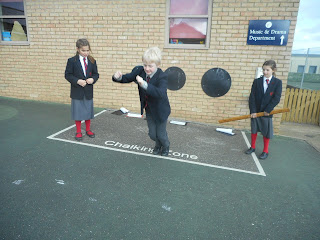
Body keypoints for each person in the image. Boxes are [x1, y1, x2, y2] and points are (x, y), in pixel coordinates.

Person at [112, 47, 171, 156]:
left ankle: (166, 146)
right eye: (145, 65)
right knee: (153, 134)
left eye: (150, 66)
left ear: (157, 65)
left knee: (161, 134)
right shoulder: (140, 71)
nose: (147, 68)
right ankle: (158, 145)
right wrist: (118, 77)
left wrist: (144, 84)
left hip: (161, 110)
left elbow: (160, 93)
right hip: (149, 109)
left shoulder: (162, 76)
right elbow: (127, 78)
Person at [245, 60, 282, 159]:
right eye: (263, 70)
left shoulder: (277, 83)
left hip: (267, 112)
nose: (265, 72)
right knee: (254, 129)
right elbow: (252, 97)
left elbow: (276, 98)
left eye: (267, 70)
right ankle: (252, 147)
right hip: (256, 111)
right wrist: (253, 111)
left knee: (266, 132)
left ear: (273, 70)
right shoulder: (257, 81)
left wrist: (268, 110)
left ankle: (265, 151)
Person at [65, 38, 99, 141]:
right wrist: (77, 81)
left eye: (88, 50)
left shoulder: (92, 61)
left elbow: (96, 74)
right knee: (78, 112)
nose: (86, 53)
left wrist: (93, 79)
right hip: (77, 91)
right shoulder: (72, 61)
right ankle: (79, 131)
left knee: (88, 111)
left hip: (88, 91)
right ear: (78, 49)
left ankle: (88, 130)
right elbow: (68, 75)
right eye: (83, 50)